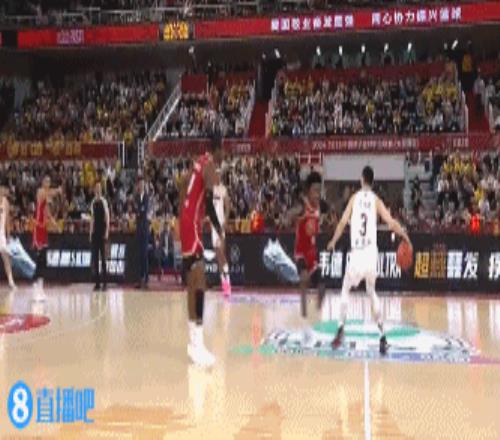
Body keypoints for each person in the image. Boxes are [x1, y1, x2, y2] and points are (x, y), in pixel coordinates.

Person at [327, 166, 412, 355]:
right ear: (372, 182)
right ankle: (382, 336)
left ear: (361, 179)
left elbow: (342, 222)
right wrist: (405, 236)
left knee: (345, 288)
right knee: (371, 291)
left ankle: (340, 326)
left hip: (357, 253)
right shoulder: (376, 200)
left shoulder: (354, 198)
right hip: (371, 253)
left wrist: (333, 241)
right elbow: (391, 222)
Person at [180, 134, 226, 368]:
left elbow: (182, 185)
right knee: (200, 283)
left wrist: (185, 215)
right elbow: (208, 202)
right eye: (224, 151)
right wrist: (218, 227)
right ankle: (197, 344)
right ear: (219, 149)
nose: (225, 156)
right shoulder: (210, 167)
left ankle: (193, 342)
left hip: (186, 222)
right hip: (192, 225)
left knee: (192, 284)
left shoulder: (198, 162)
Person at [286, 171, 329, 319]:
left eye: (319, 190)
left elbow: (329, 211)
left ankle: (316, 313)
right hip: (301, 252)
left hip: (312, 253)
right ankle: (303, 313)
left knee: (322, 284)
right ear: (308, 192)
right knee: (304, 278)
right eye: (315, 191)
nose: (317, 194)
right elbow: (290, 214)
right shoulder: (302, 207)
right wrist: (289, 218)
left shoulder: (320, 206)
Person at [32, 175, 62, 289]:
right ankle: (35, 277)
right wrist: (57, 190)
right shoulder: (40, 192)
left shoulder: (47, 198)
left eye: (49, 182)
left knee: (43, 254)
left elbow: (48, 214)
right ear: (43, 183)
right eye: (46, 181)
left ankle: (40, 279)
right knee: (38, 253)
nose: (48, 183)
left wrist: (56, 226)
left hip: (43, 228)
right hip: (38, 227)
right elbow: (48, 194)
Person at [212, 169, 231, 297]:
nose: (217, 176)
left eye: (218, 174)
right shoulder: (210, 190)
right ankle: (223, 283)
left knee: (221, 253)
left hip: (220, 225)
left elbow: (228, 207)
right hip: (213, 226)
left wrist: (225, 222)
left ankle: (228, 281)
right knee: (218, 257)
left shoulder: (223, 189)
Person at [89, 181, 110, 292]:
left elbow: (107, 217)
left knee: (103, 258)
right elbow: (92, 218)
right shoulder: (93, 202)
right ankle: (97, 283)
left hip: (102, 230)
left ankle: (105, 283)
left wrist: (107, 231)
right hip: (95, 232)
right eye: (96, 187)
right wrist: (90, 232)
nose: (97, 189)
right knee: (95, 258)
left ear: (101, 189)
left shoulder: (104, 201)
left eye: (99, 187)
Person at [135, 176, 151, 289]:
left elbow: (143, 210)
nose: (141, 186)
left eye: (142, 184)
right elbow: (136, 209)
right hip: (138, 228)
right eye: (139, 184)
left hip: (145, 228)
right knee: (140, 254)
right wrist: (139, 210)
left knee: (145, 254)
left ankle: (146, 278)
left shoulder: (146, 197)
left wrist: (139, 211)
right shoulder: (136, 197)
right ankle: (140, 278)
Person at [0, 187, 15, 289]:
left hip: (1, 234)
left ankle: (11, 281)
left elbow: (8, 220)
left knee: (6, 257)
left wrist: (8, 235)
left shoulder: (5, 202)